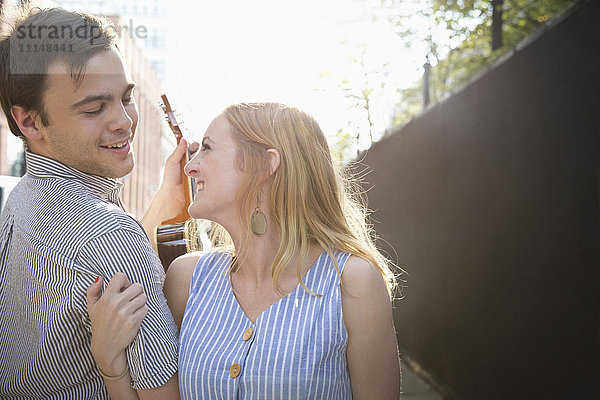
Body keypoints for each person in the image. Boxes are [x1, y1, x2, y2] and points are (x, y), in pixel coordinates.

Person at [90, 102, 402, 399]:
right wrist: (109, 362)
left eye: (207, 148)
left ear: (266, 164)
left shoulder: (352, 282)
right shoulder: (187, 278)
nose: (190, 167)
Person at [0, 7, 189, 399]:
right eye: (94, 108)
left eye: (126, 97)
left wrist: (164, 203)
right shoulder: (111, 235)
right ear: (30, 123)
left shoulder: (22, 198)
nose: (124, 121)